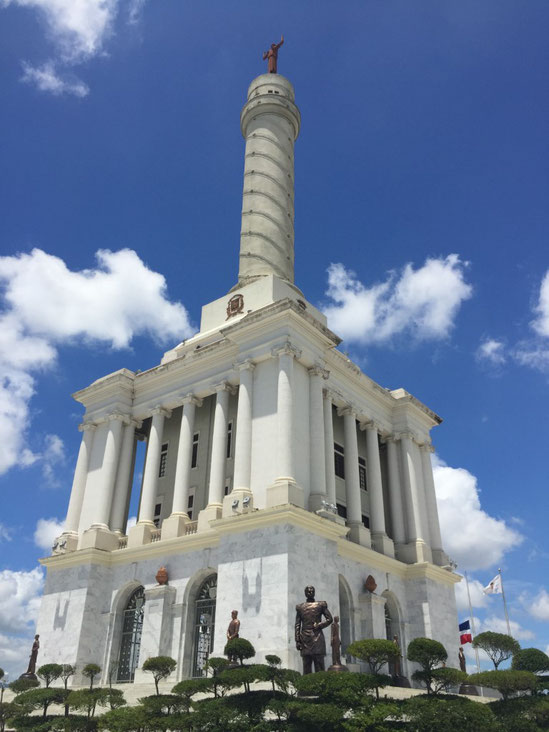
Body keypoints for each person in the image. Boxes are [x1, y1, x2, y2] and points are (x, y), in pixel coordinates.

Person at [295, 585, 333, 674]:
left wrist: (320, 625)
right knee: (306, 666)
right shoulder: (300, 607)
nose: (310, 593)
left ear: (314, 592)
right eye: (308, 591)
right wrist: (297, 640)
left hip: (317, 637)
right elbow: (297, 625)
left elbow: (329, 619)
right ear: (305, 593)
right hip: (305, 638)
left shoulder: (320, 605)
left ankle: (321, 686)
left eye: (312, 591)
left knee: (319, 666)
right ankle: (306, 687)